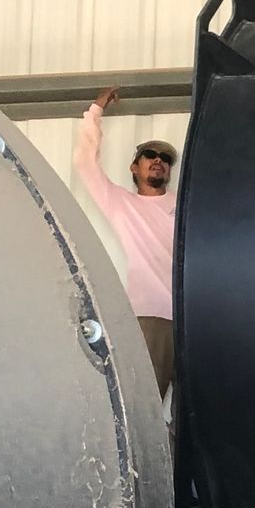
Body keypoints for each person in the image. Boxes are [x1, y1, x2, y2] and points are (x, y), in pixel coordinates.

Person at [75, 85, 177, 397]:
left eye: (165, 158)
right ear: (135, 167)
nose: (158, 160)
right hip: (151, 316)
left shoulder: (187, 203)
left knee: (197, 412)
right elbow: (85, 163)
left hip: (197, 319)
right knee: (145, 401)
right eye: (150, 155)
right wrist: (96, 109)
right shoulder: (121, 203)